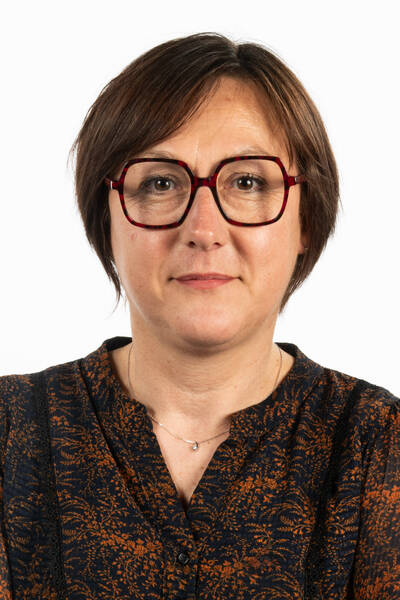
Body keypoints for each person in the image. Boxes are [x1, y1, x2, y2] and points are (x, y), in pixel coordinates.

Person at [0, 31, 399, 600]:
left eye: (248, 182)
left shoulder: (378, 444)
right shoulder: (11, 433)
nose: (205, 230)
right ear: (105, 219)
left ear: (306, 221)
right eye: (160, 183)